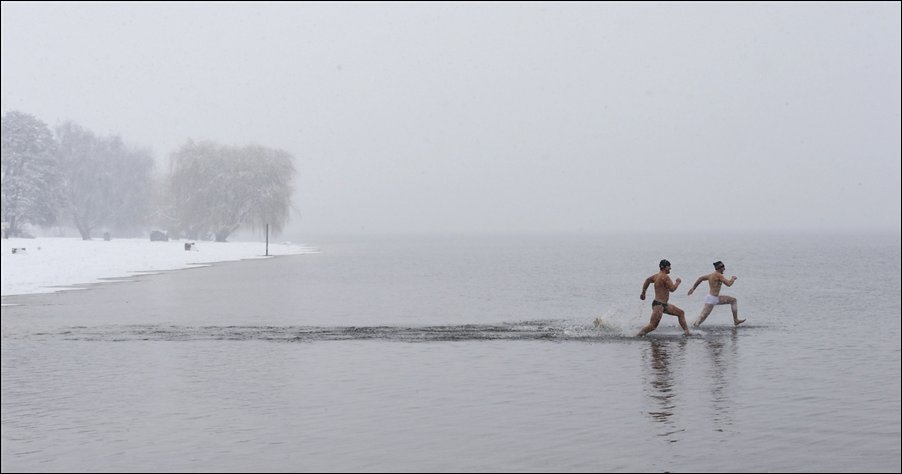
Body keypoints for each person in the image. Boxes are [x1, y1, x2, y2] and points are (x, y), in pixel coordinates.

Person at [638, 259, 691, 336]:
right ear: (664, 267)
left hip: (664, 305)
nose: (670, 268)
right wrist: (678, 282)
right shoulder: (665, 277)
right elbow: (672, 289)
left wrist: (643, 292)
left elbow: (647, 280)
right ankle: (638, 335)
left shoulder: (656, 276)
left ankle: (687, 333)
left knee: (681, 313)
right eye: (669, 266)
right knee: (652, 326)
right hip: (659, 305)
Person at [687, 260, 746, 327]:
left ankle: (736, 320)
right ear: (720, 268)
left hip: (715, 298)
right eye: (723, 267)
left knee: (733, 300)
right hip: (712, 300)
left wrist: (693, 288)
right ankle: (690, 328)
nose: (724, 269)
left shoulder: (711, 275)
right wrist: (732, 279)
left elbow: (700, 278)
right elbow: (729, 284)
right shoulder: (719, 275)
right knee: (701, 319)